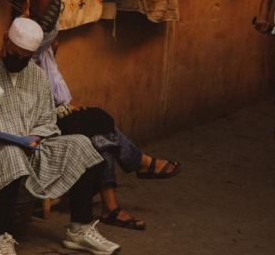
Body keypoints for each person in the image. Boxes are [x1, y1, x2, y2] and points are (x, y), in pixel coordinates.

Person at [0, 17, 120, 255]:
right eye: (15, 55)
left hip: (30, 148)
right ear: (5, 40)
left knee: (82, 145)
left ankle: (79, 229)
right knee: (10, 154)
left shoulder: (35, 75)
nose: (19, 62)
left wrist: (36, 137)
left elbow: (48, 119)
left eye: (26, 58)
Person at [33, 28, 182, 231]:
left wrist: (68, 109)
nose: (57, 44)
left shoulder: (48, 63)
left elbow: (58, 100)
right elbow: (41, 112)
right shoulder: (31, 60)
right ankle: (137, 164)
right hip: (44, 127)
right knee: (99, 121)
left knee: (100, 134)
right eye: (53, 40)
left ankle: (112, 206)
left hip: (58, 118)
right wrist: (68, 110)